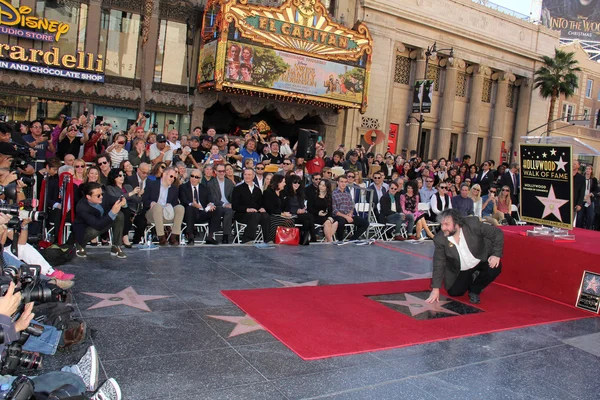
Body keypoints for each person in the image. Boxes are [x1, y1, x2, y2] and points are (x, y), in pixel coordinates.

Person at [426, 208, 504, 304]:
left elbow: (497, 233)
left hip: (480, 258)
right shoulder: (440, 239)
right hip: (462, 267)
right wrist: (435, 289)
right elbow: (439, 263)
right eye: (442, 224)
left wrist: (496, 255)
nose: (443, 228)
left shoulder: (473, 225)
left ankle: (475, 290)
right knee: (455, 292)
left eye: (447, 224)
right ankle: (473, 277)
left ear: (457, 224)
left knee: (494, 268)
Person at [73, 182, 127, 258]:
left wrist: (123, 202)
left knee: (119, 215)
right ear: (88, 196)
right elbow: (97, 225)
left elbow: (115, 199)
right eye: (98, 195)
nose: (101, 196)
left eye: (102, 194)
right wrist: (112, 212)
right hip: (85, 231)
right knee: (93, 230)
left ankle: (116, 246)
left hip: (101, 222)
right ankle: (79, 244)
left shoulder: (103, 197)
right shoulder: (82, 207)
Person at [142, 166, 185, 245]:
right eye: (171, 176)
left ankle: (174, 236)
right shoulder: (152, 184)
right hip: (152, 213)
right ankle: (161, 237)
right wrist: (151, 203)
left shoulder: (174, 189)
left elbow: (175, 203)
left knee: (180, 208)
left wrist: (170, 205)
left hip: (167, 213)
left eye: (174, 178)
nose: (172, 179)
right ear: (164, 174)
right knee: (158, 206)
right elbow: (144, 199)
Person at [179, 169, 222, 245]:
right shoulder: (183, 187)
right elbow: (183, 200)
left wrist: (210, 205)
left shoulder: (204, 188)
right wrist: (192, 204)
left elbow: (210, 199)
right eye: (192, 176)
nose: (193, 178)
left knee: (216, 209)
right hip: (189, 213)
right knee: (190, 208)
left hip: (202, 212)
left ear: (200, 179)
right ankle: (190, 236)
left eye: (196, 177)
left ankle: (210, 237)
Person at [105, 168, 142, 248]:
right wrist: (131, 193)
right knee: (125, 210)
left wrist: (139, 195)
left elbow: (136, 200)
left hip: (131, 210)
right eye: (119, 175)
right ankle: (125, 236)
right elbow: (116, 198)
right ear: (114, 177)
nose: (122, 177)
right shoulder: (110, 188)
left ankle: (135, 240)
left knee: (141, 220)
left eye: (123, 175)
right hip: (117, 209)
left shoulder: (127, 186)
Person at [231, 169, 270, 243]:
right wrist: (247, 209)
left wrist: (262, 208)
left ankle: (266, 239)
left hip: (255, 213)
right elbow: (235, 206)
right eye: (245, 174)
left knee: (265, 215)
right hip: (241, 214)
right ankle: (247, 239)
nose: (247, 176)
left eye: (249, 175)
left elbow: (260, 204)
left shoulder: (257, 190)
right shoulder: (237, 189)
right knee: (255, 216)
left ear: (253, 176)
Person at [332, 174, 369, 241]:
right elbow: (334, 210)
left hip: (348, 215)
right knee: (341, 222)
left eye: (345, 182)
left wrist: (350, 213)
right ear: (337, 182)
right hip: (338, 216)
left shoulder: (348, 194)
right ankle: (340, 240)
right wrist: (346, 216)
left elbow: (352, 206)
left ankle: (353, 239)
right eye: (341, 182)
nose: (343, 184)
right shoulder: (333, 194)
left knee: (365, 223)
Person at [262, 175, 296, 243]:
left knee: (291, 220)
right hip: (271, 215)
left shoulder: (283, 193)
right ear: (278, 183)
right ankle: (270, 240)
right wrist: (282, 214)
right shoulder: (268, 192)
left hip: (282, 215)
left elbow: (287, 205)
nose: (285, 184)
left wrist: (286, 213)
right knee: (278, 221)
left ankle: (286, 240)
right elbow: (269, 208)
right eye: (283, 182)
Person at [207, 164, 236, 243]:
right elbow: (213, 198)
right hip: (217, 205)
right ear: (215, 172)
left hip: (228, 206)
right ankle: (215, 235)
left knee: (229, 211)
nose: (222, 173)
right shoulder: (211, 183)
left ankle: (226, 235)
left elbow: (233, 196)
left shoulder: (229, 183)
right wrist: (224, 204)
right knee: (224, 210)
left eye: (223, 171)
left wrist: (232, 204)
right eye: (219, 171)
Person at [284, 174, 316, 244]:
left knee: (307, 221)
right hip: (290, 215)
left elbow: (301, 206)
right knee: (310, 216)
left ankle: (303, 240)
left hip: (300, 215)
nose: (297, 184)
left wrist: (303, 209)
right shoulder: (286, 193)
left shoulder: (300, 193)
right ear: (290, 183)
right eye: (295, 182)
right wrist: (296, 211)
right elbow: (285, 207)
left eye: (298, 183)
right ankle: (313, 237)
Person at [582, 165, 598, 229]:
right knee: (580, 217)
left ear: (591, 171)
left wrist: (589, 195)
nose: (588, 170)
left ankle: (588, 229)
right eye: (587, 169)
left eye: (589, 169)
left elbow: (596, 190)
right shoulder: (582, 178)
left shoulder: (594, 179)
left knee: (590, 216)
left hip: (590, 200)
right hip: (582, 199)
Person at [573, 159, 586, 228]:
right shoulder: (565, 174)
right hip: (563, 200)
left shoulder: (581, 178)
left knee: (570, 219)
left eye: (575, 164)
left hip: (574, 202)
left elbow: (582, 192)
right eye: (572, 163)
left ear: (578, 166)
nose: (573, 165)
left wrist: (579, 204)